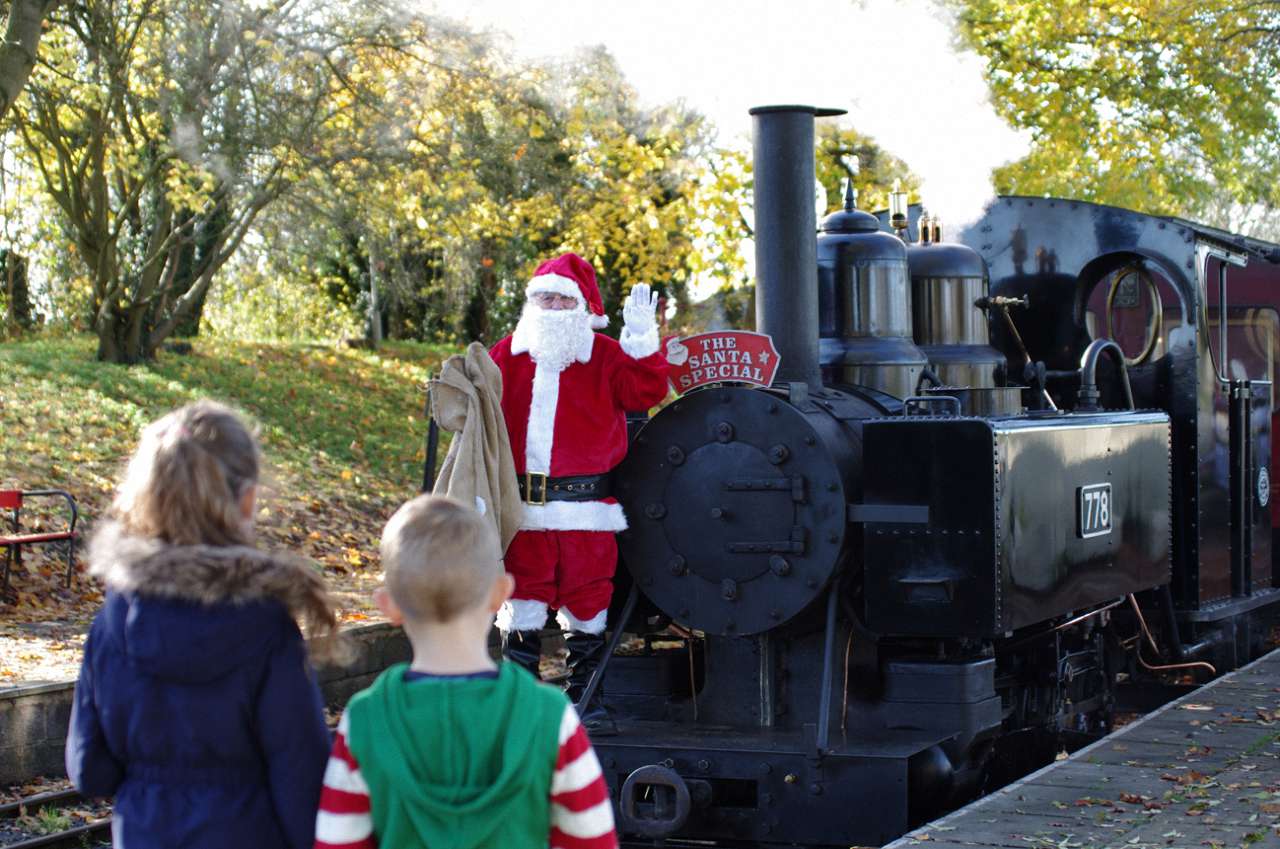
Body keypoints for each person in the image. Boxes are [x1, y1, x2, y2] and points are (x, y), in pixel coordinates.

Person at [66, 400, 341, 849]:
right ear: (248, 499)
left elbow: (89, 769)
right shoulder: (266, 627)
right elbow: (302, 779)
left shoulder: (112, 623)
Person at [313, 494, 617, 849]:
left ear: (389, 605)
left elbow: (337, 841)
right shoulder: (551, 717)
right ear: (501, 593)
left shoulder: (364, 721)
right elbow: (593, 841)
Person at [489, 252, 670, 732]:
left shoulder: (607, 356)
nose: (550, 306)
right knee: (521, 602)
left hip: (586, 511)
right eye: (542, 296)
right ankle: (518, 703)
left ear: (583, 308)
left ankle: (586, 701)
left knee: (588, 607)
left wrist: (640, 341)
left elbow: (646, 392)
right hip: (524, 511)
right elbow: (477, 414)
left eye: (561, 299)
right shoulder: (505, 354)